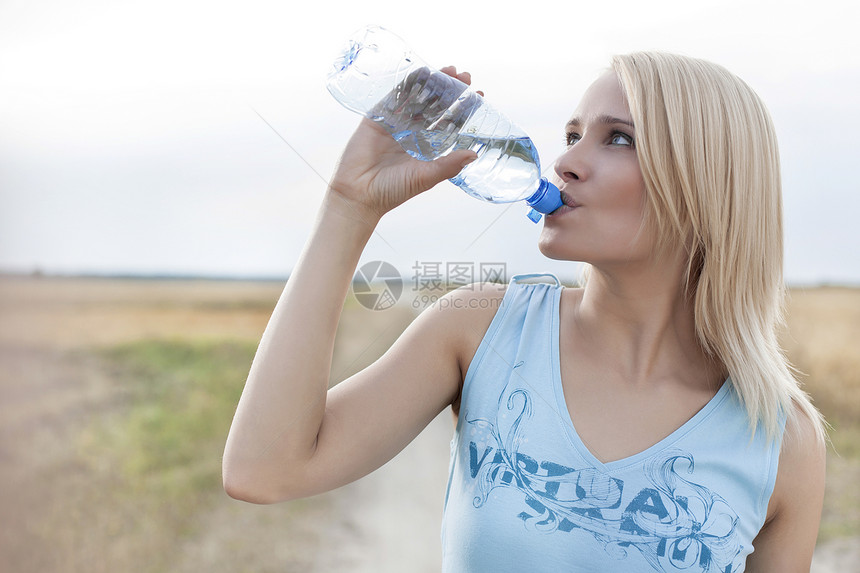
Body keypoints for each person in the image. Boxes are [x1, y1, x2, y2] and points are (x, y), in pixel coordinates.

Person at [223, 52, 826, 572]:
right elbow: (264, 470)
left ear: (707, 183)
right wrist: (348, 207)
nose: (565, 163)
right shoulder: (484, 328)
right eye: (572, 135)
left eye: (618, 138)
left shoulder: (779, 440)